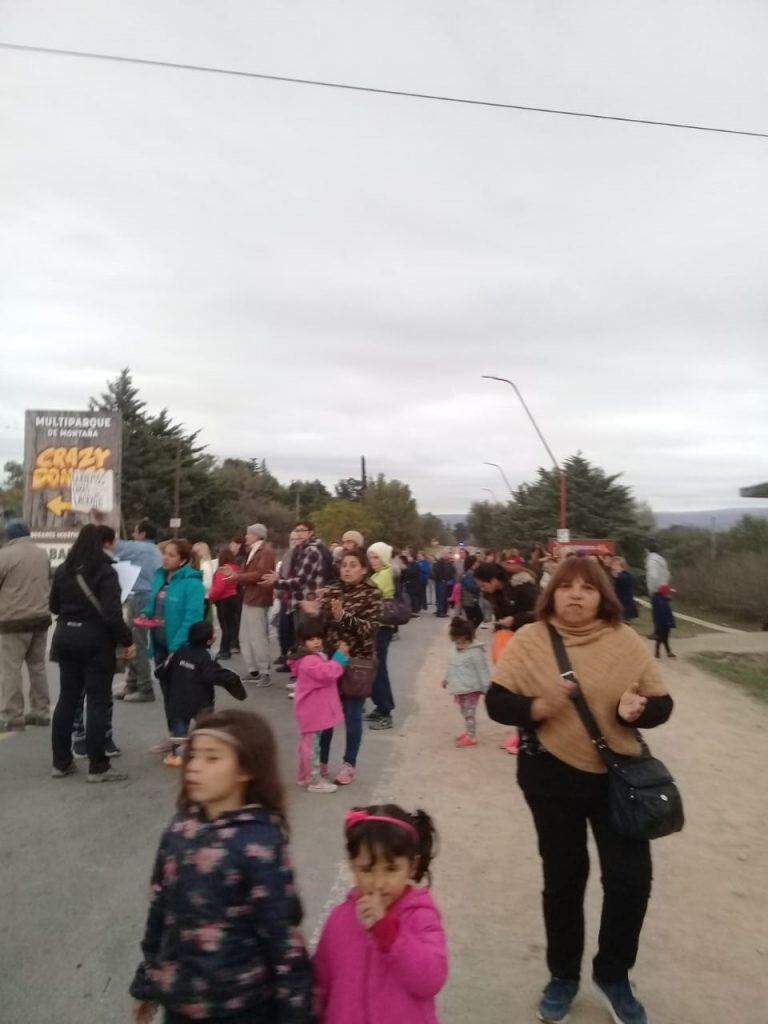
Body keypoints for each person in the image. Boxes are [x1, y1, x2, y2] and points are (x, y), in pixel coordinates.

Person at [486, 555, 673, 1024]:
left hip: (618, 779)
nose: (575, 595)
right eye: (566, 586)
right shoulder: (531, 639)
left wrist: (640, 710)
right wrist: (536, 707)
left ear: (601, 596)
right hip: (550, 779)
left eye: (587, 588)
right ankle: (563, 976)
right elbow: (496, 701)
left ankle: (613, 975)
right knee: (564, 881)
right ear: (552, 593)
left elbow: (661, 702)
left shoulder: (625, 641)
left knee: (630, 882)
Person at [129, 709, 313, 1024]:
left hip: (242, 1010)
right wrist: (147, 985)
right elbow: (160, 913)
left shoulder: (259, 845)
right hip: (180, 1005)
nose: (195, 767)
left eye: (212, 758)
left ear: (246, 769)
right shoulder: (180, 829)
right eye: (194, 756)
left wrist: (298, 1015)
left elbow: (283, 941)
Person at [314, 803, 448, 1024]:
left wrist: (390, 936)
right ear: (353, 866)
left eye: (391, 869)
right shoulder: (339, 920)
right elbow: (321, 985)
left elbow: (431, 980)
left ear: (412, 866)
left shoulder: (421, 916)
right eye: (367, 870)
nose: (378, 883)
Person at [50, 524, 135, 782]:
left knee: (67, 699)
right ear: (102, 544)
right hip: (95, 640)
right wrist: (126, 639)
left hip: (65, 636)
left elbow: (54, 605)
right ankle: (99, 766)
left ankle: (61, 762)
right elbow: (111, 614)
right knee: (97, 701)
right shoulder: (106, 572)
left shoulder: (64, 570)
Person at [306, 549, 381, 786]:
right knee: (326, 714)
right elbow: (322, 624)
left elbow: (369, 628)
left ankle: (349, 764)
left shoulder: (372, 593)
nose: (347, 569)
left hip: (357, 662)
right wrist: (316, 611)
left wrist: (343, 618)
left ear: (364, 568)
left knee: (352, 715)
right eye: (344, 565)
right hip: (330, 660)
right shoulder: (332, 590)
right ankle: (323, 761)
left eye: (353, 565)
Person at [155, 620, 247, 766]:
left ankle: (177, 754)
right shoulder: (207, 656)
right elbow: (217, 675)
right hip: (201, 702)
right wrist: (237, 687)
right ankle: (207, 750)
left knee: (179, 730)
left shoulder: (180, 651)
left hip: (177, 701)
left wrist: (167, 683)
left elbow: (163, 670)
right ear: (210, 640)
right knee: (206, 727)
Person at [0, 519, 52, 732]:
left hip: (13, 621)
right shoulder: (42, 554)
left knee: (11, 669)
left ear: (8, 536)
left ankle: (12, 716)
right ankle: (41, 711)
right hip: (40, 619)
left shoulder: (5, 555)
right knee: (37, 667)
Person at [289, 620, 348, 793]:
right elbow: (327, 673)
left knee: (308, 745)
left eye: (318, 638)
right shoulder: (309, 661)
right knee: (312, 748)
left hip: (312, 710)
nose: (316, 641)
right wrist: (340, 657)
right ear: (302, 641)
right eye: (311, 639)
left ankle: (304, 776)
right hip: (313, 711)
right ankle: (314, 780)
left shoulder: (309, 657)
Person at [115, 520, 163, 702]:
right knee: (133, 641)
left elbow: (113, 547)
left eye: (135, 532)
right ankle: (132, 682)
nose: (134, 535)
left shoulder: (139, 548)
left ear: (143, 534)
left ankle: (144, 687)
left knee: (137, 643)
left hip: (140, 596)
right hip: (148, 595)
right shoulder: (154, 550)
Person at [229, 524, 275, 687]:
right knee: (245, 636)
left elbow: (261, 574)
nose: (246, 536)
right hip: (249, 597)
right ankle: (254, 669)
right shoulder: (254, 551)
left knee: (257, 636)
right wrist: (237, 576)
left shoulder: (265, 552)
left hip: (258, 597)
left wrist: (237, 577)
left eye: (248, 533)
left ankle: (265, 672)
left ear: (256, 535)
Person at [262, 520, 328, 632]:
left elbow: (300, 582)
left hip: (306, 603)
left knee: (306, 640)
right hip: (298, 603)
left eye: (302, 531)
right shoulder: (302, 551)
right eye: (297, 531)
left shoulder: (311, 551)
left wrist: (277, 582)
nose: (298, 534)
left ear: (311, 532)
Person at [443, 617, 490, 747]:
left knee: (469, 712)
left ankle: (472, 736)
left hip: (472, 688)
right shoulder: (454, 650)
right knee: (464, 711)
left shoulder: (475, 652)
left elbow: (483, 670)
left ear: (467, 637)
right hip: (460, 687)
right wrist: (446, 679)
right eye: (456, 642)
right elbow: (451, 666)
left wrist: (487, 687)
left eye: (461, 642)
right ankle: (468, 731)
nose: (459, 645)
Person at [366, 543, 397, 730]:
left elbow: (370, 593)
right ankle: (380, 706)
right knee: (375, 668)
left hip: (381, 627)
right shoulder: (378, 574)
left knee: (378, 669)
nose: (372, 561)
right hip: (376, 626)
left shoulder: (385, 575)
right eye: (370, 557)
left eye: (376, 557)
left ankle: (386, 711)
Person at [209, 548, 241, 660]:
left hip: (224, 599)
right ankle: (232, 645)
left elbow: (219, 587)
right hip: (234, 597)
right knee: (232, 624)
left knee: (225, 626)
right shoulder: (236, 568)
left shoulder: (222, 570)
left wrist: (211, 597)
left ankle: (224, 649)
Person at [651, 584, 677, 659]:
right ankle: (659, 653)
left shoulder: (661, 600)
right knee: (661, 638)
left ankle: (664, 652)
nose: (670, 594)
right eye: (669, 593)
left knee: (663, 638)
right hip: (663, 624)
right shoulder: (661, 602)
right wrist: (668, 622)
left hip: (662, 623)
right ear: (665, 593)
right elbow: (663, 614)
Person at [611, 557, 639, 623]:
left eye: (616, 565)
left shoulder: (626, 576)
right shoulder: (615, 577)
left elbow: (624, 582)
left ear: (622, 567)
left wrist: (617, 577)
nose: (613, 567)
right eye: (613, 565)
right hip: (618, 604)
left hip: (625, 605)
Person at [459, 554, 483, 628]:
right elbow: (471, 587)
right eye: (476, 562)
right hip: (468, 601)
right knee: (472, 619)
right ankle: (468, 634)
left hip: (473, 600)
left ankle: (469, 633)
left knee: (477, 618)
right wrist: (480, 587)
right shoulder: (467, 574)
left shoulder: (473, 573)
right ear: (471, 563)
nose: (477, 564)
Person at [432, 550, 455, 618]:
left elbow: (451, 571)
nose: (448, 555)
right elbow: (437, 572)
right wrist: (442, 579)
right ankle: (440, 612)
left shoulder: (447, 562)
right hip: (442, 582)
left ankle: (443, 611)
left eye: (448, 554)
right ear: (444, 554)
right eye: (446, 554)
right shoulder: (440, 562)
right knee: (441, 597)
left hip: (445, 582)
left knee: (444, 597)